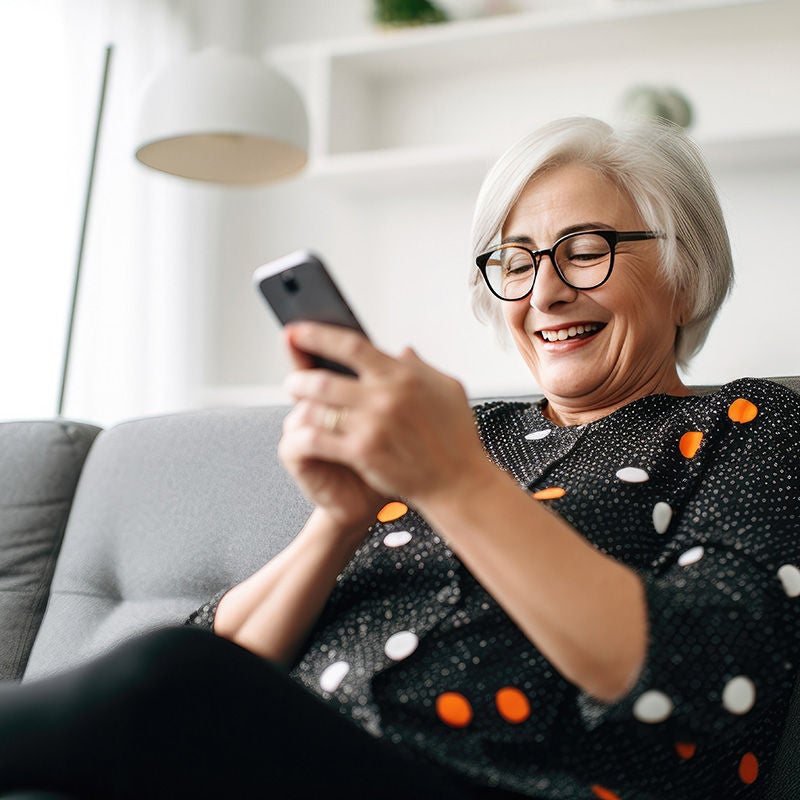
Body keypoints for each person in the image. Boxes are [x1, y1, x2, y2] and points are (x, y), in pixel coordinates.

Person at [1, 116, 799, 800]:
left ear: (684, 273)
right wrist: (338, 522)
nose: (543, 295)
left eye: (584, 251)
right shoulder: (472, 431)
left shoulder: (750, 424)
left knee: (167, 683)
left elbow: (706, 680)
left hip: (496, 783)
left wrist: (451, 479)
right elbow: (220, 656)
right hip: (286, 763)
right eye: (516, 263)